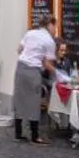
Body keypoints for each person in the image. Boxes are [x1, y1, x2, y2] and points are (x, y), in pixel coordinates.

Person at [12, 12, 57, 144]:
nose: (55, 29)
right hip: (33, 71)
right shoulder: (49, 41)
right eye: (55, 26)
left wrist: (31, 54)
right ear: (49, 25)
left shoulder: (30, 33)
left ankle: (18, 134)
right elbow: (47, 64)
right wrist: (59, 74)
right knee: (33, 102)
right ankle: (35, 136)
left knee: (20, 100)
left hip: (20, 68)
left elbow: (19, 50)